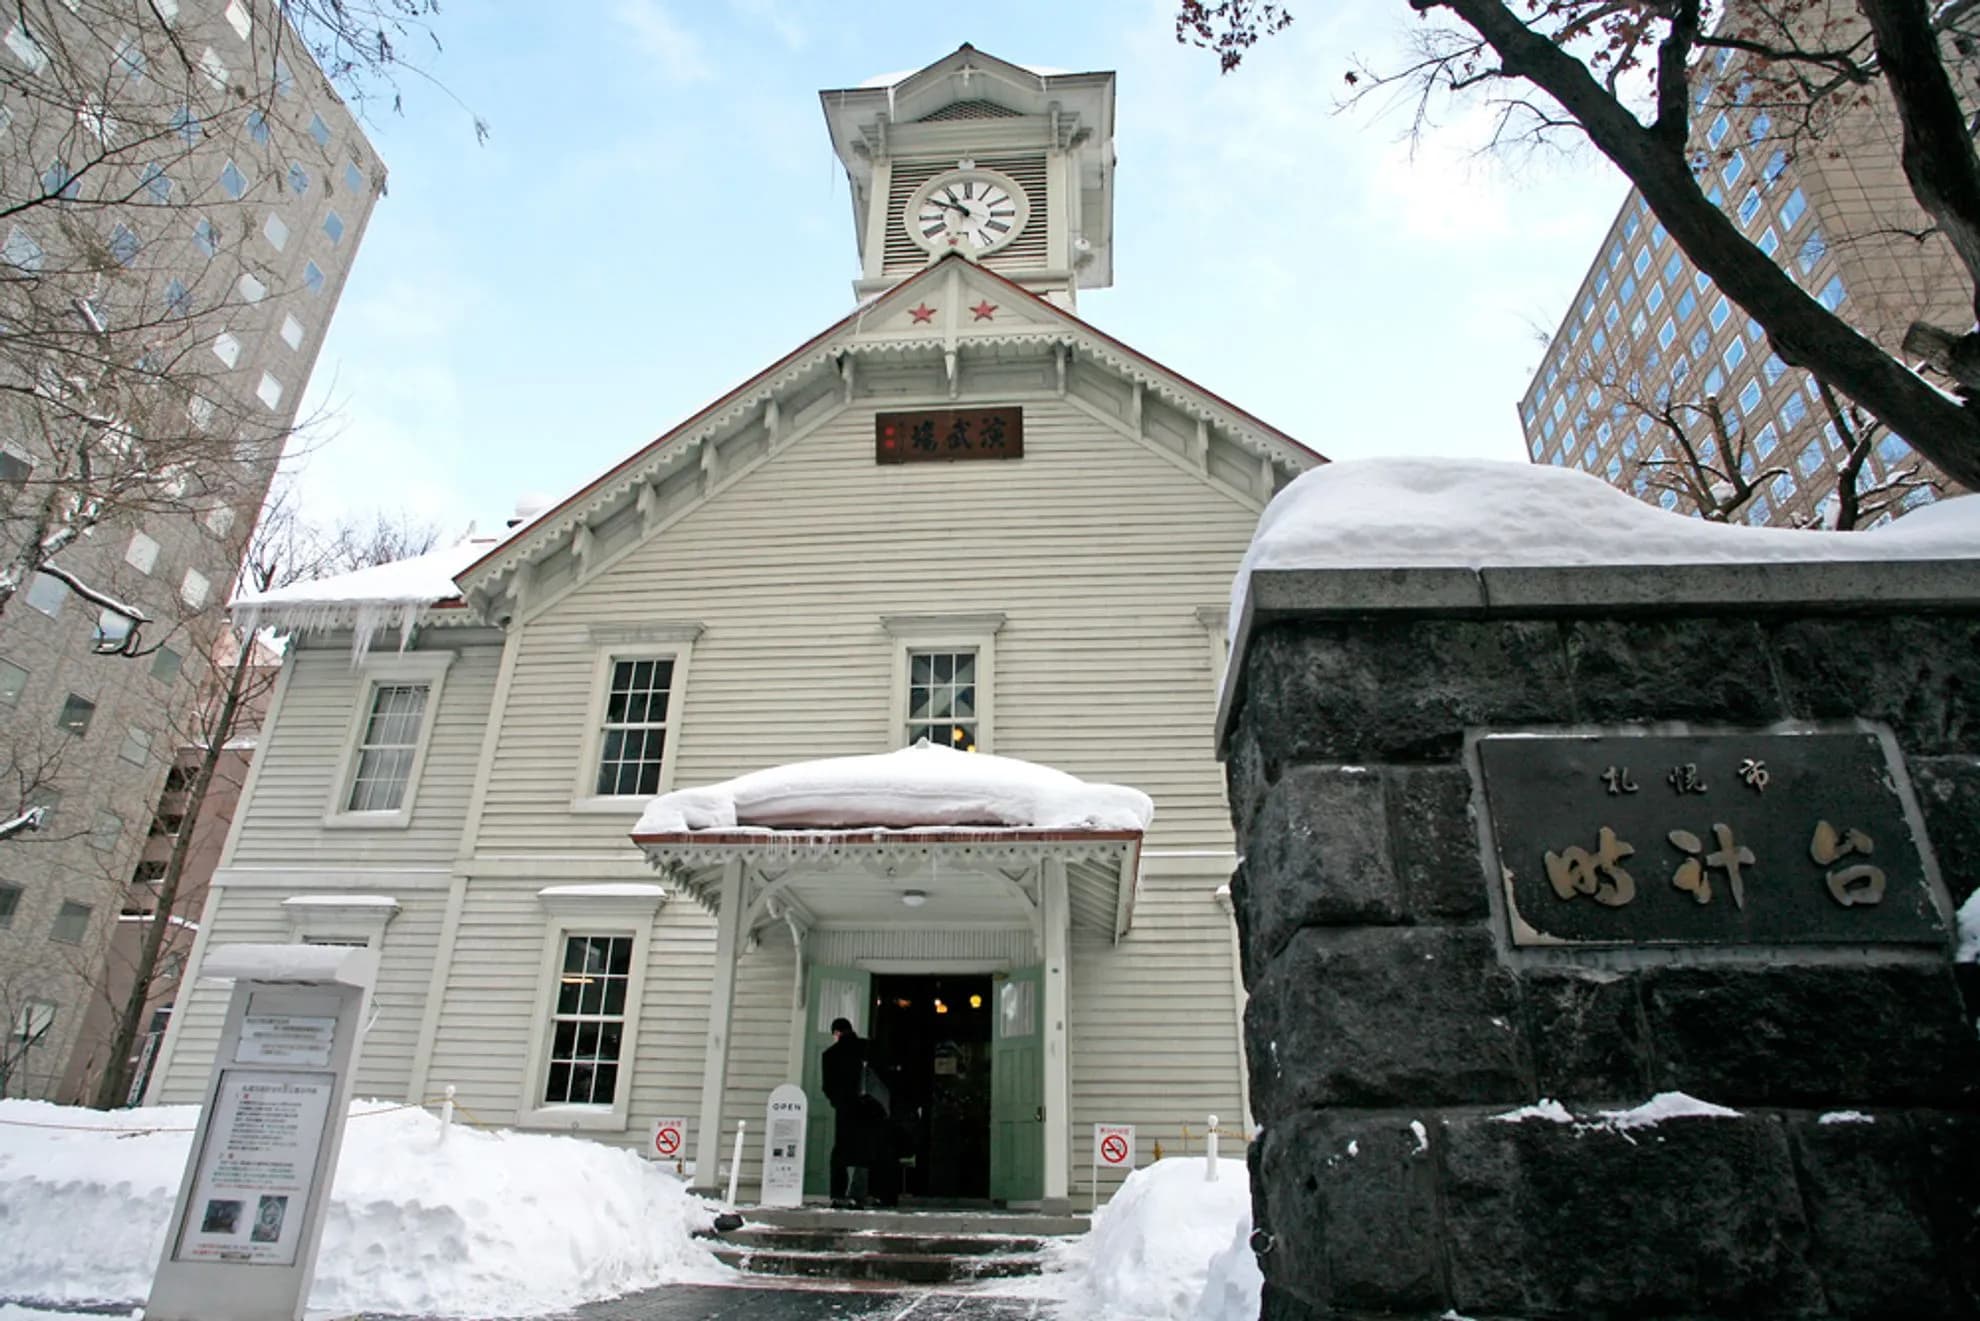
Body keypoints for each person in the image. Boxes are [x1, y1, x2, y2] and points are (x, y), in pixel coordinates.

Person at [822, 1016, 874, 1207]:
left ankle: (838, 1193)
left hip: (844, 1107)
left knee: (840, 1151)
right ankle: (862, 1191)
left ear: (836, 1033)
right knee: (868, 1147)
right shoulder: (866, 1048)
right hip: (868, 1105)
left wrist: (837, 1102)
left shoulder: (829, 1055)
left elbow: (827, 1086)